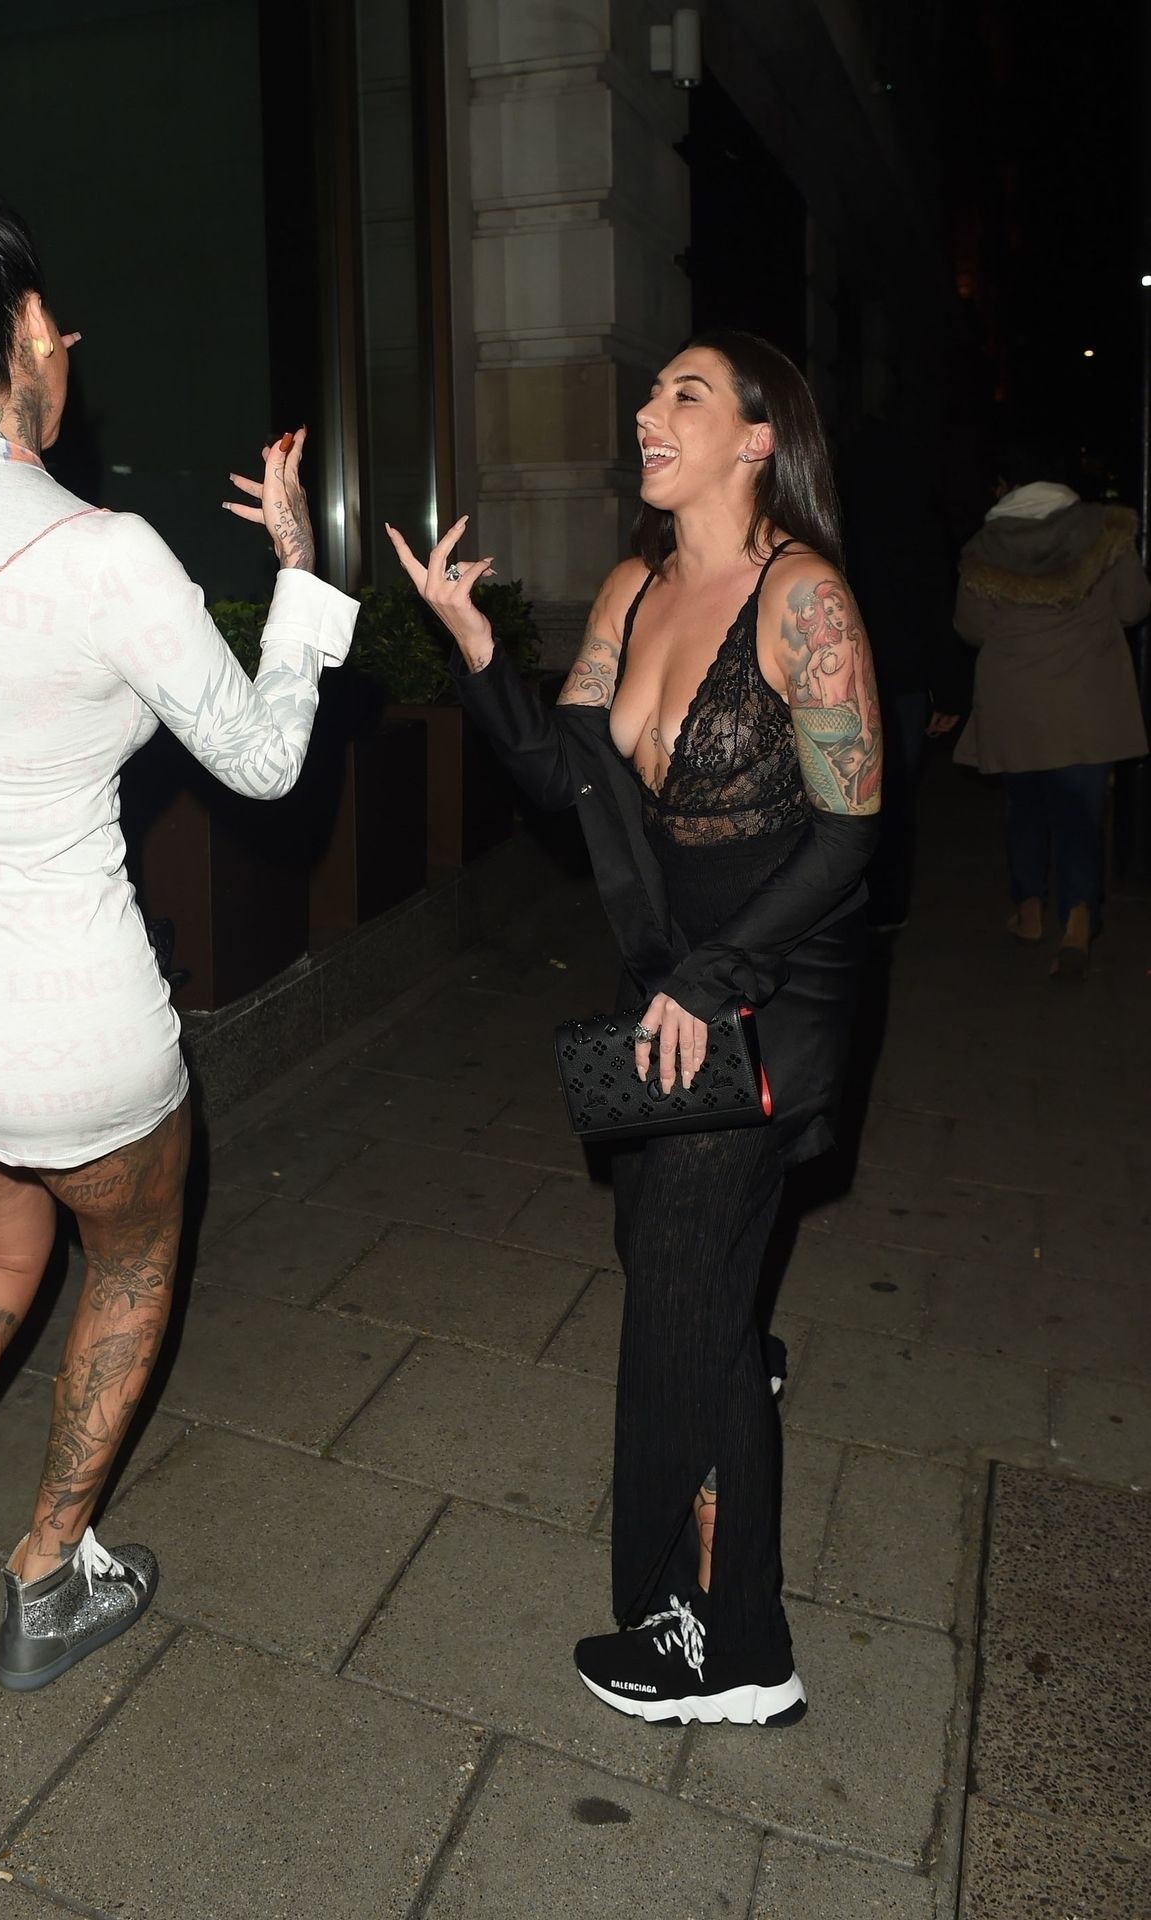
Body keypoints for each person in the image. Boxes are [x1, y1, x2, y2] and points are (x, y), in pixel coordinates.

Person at [0, 168, 357, 1737]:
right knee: (134, 1245)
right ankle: (48, 1571)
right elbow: (262, 765)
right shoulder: (105, 553)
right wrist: (301, 580)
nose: (72, 344)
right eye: (53, 319)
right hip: (68, 1038)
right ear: (9, 330)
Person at [388, 330, 880, 1727]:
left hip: (771, 995)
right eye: (651, 392)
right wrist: (477, 649)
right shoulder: (633, 586)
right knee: (683, 1300)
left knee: (681, 1291)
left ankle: (737, 1653)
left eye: (684, 395)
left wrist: (719, 975)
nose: (647, 412)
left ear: (754, 439)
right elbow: (564, 774)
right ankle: (709, 1602)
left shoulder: (803, 601)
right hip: (665, 990)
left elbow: (848, 833)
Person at [953, 445, 1150, 976]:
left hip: (1016, 701)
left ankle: (1030, 911)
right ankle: (1079, 919)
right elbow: (1134, 606)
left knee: (1025, 807)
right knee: (1081, 813)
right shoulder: (1106, 533)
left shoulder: (984, 545)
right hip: (1088, 699)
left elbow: (971, 628)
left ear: (1007, 484)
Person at [838, 417, 971, 929]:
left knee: (840, 800)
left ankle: (842, 906)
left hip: (839, 680)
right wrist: (949, 691)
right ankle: (885, 906)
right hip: (902, 682)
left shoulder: (832, 521)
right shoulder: (919, 525)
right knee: (892, 799)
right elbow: (938, 610)